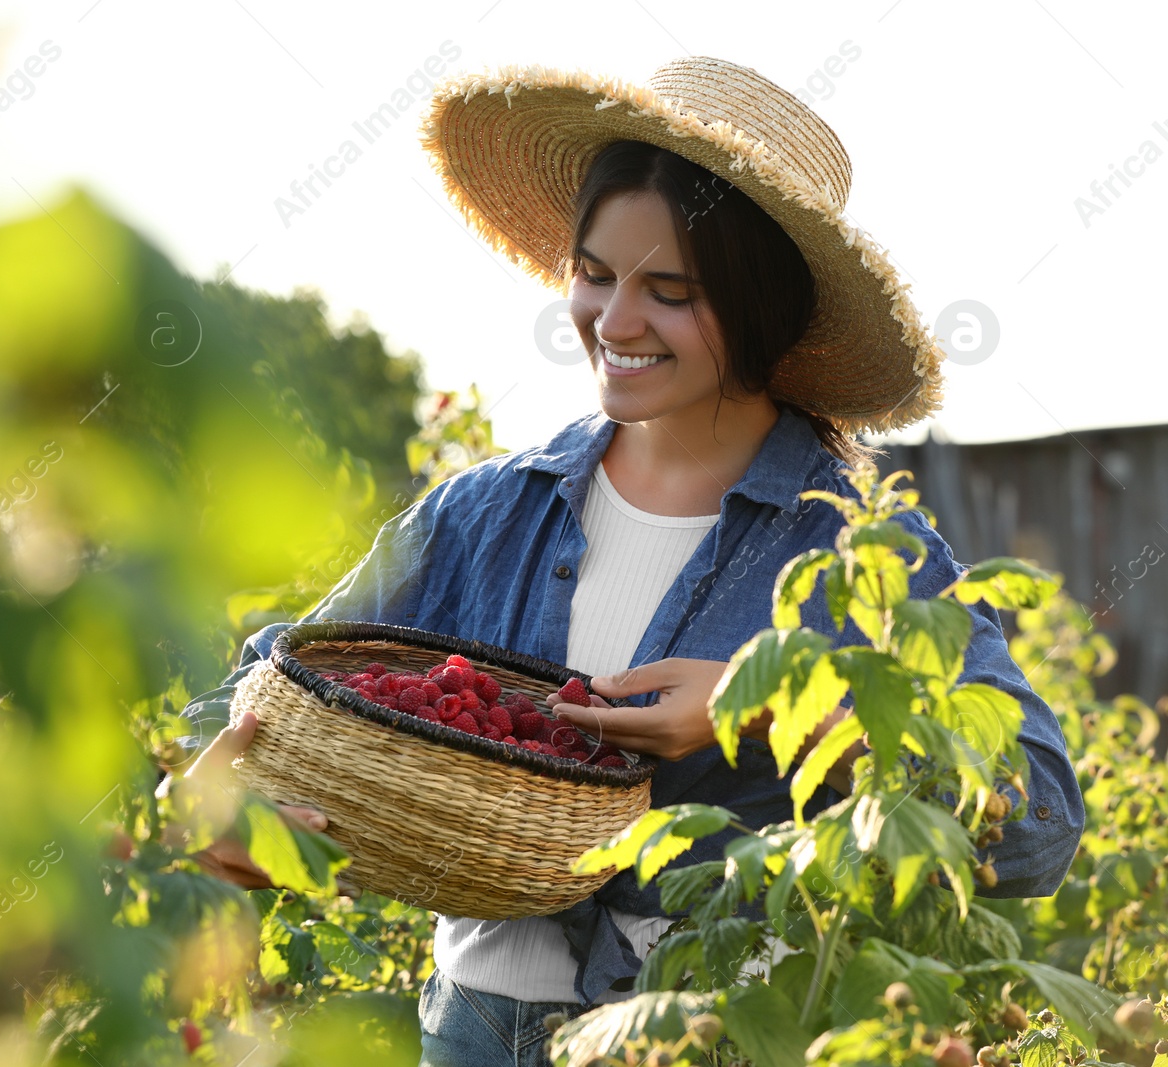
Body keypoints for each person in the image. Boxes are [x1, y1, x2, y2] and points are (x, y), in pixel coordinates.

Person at [174, 56, 1084, 1066]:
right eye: (595, 275)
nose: (612, 324)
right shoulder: (487, 512)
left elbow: (1037, 817)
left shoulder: (860, 550)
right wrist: (215, 797)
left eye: (670, 290)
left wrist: (783, 714)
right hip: (474, 1025)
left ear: (760, 310)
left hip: (708, 1031)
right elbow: (262, 688)